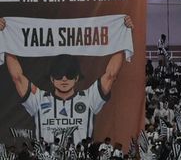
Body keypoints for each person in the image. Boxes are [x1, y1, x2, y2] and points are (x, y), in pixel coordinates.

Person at [1, 16, 133, 145]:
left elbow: (111, 75)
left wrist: (123, 37)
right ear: (52, 79)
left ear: (76, 78)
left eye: (69, 74)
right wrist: (5, 37)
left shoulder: (89, 98)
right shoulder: (39, 99)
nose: (64, 78)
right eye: (58, 74)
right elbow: (17, 77)